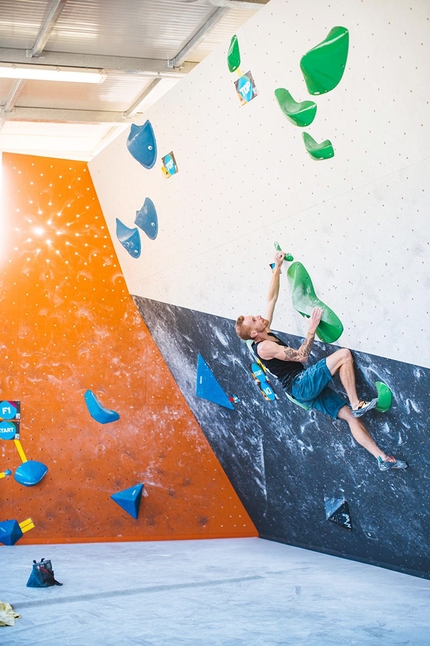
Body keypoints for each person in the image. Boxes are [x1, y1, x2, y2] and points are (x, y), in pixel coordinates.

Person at [235, 250, 408, 472]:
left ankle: (382, 458)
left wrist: (277, 267)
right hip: (300, 384)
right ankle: (357, 403)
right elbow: (302, 356)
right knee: (343, 355)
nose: (258, 316)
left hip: (300, 391)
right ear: (253, 334)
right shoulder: (265, 346)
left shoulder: (263, 329)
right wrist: (311, 329)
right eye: (254, 319)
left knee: (349, 418)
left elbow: (271, 298)